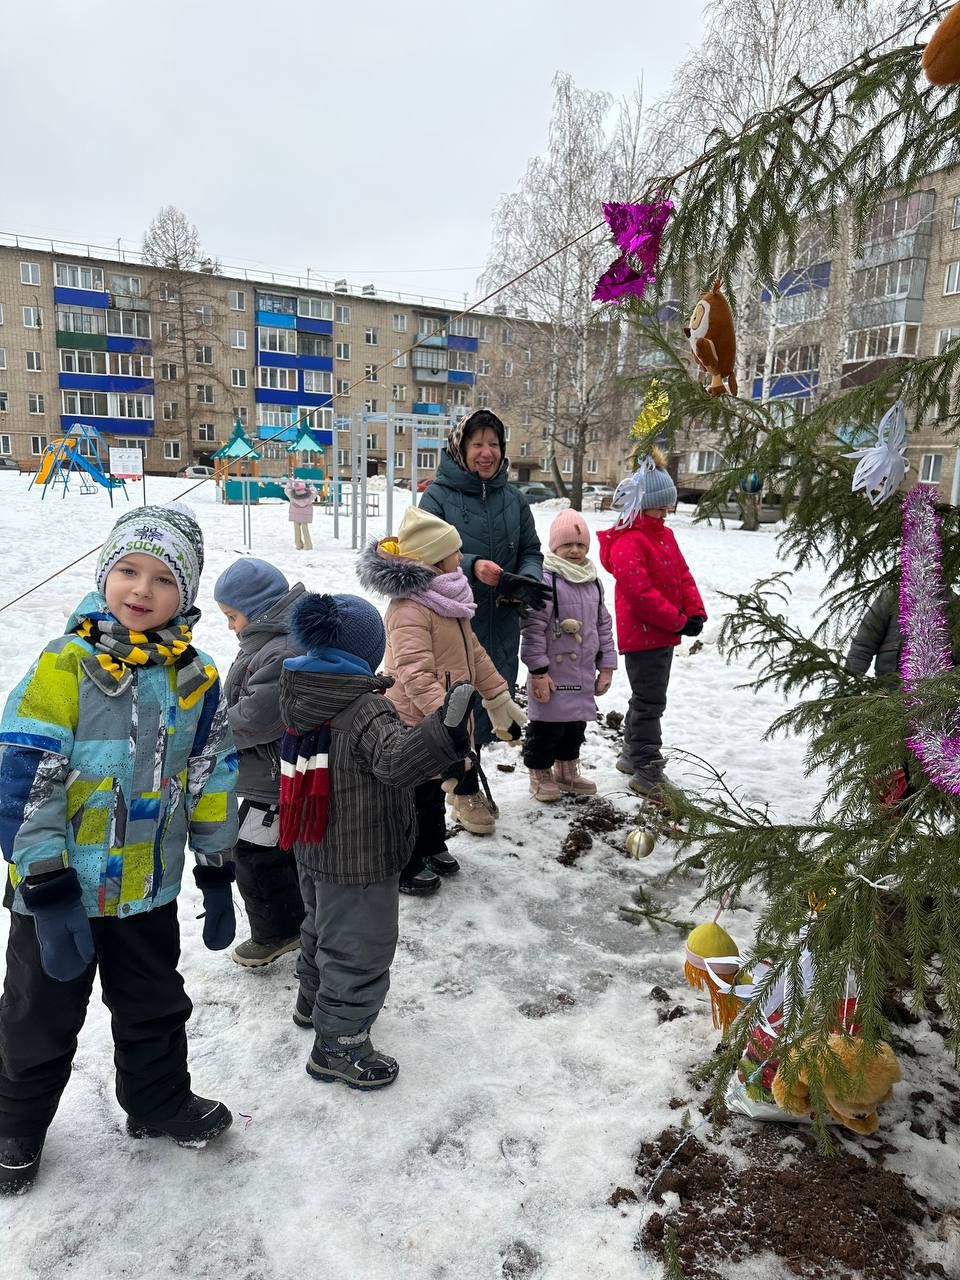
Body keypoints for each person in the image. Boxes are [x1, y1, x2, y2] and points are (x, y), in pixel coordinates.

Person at [0, 503, 239, 1196]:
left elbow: (210, 774)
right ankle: (14, 1123)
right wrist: (44, 881)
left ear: (185, 595)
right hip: (58, 892)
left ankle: (158, 1103)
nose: (141, 589)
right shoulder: (64, 666)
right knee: (37, 1015)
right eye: (128, 571)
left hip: (146, 890)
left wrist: (217, 864)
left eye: (164, 579)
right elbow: (23, 776)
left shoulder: (196, 677)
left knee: (155, 1004)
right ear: (105, 575)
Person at [278, 593, 477, 1088]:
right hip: (361, 853)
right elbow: (395, 763)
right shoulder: (366, 708)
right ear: (366, 651)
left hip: (313, 838)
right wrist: (445, 732)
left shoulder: (302, 690)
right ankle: (339, 1044)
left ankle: (314, 1002)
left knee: (321, 927)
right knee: (360, 948)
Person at [358, 507, 525, 888]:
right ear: (435, 559)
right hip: (416, 719)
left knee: (434, 787)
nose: (461, 558)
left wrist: (497, 696)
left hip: (447, 716)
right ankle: (405, 860)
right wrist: (446, 721)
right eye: (456, 552)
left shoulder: (450, 599)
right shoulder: (409, 610)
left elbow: (474, 654)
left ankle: (432, 845)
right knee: (412, 794)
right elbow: (415, 673)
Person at [418, 408, 546, 832]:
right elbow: (421, 553)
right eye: (478, 445)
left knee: (492, 701)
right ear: (461, 449)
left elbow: (531, 549)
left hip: (501, 620)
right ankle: (462, 789)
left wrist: (524, 578)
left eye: (494, 444)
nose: (487, 453)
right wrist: (471, 566)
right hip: (451, 620)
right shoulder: (437, 497)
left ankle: (469, 778)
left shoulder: (514, 499)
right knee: (454, 706)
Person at [214, 558, 306, 966]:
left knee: (252, 857)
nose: (230, 625)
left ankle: (277, 931)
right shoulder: (268, 642)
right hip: (266, 774)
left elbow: (256, 718)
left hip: (268, 780)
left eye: (232, 616)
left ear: (258, 607)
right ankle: (298, 919)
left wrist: (210, 729)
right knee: (278, 853)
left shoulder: (281, 649)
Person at [597, 456, 706, 797]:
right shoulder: (630, 542)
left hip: (662, 634)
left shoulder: (664, 536)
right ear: (641, 507)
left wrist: (695, 611)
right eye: (660, 508)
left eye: (668, 508)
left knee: (646, 698)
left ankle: (632, 754)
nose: (666, 514)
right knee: (650, 702)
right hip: (644, 637)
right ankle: (647, 768)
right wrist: (677, 620)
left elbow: (682, 574)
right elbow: (640, 594)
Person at [521, 510, 617, 802]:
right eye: (567, 545)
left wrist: (608, 666)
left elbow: (604, 625)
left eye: (580, 545)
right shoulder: (547, 580)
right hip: (551, 674)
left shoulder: (593, 582)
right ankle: (539, 772)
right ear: (554, 548)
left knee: (575, 726)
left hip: (583, 673)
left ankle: (566, 770)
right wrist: (538, 671)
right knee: (547, 728)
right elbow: (533, 629)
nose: (574, 551)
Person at [284, 476, 317, 550]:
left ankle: (299, 544)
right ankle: (308, 545)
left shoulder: (292, 494)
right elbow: (315, 492)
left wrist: (289, 483)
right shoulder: (309, 494)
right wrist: (311, 485)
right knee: (305, 529)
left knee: (296, 529)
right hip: (305, 515)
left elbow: (286, 490)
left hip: (295, 514)